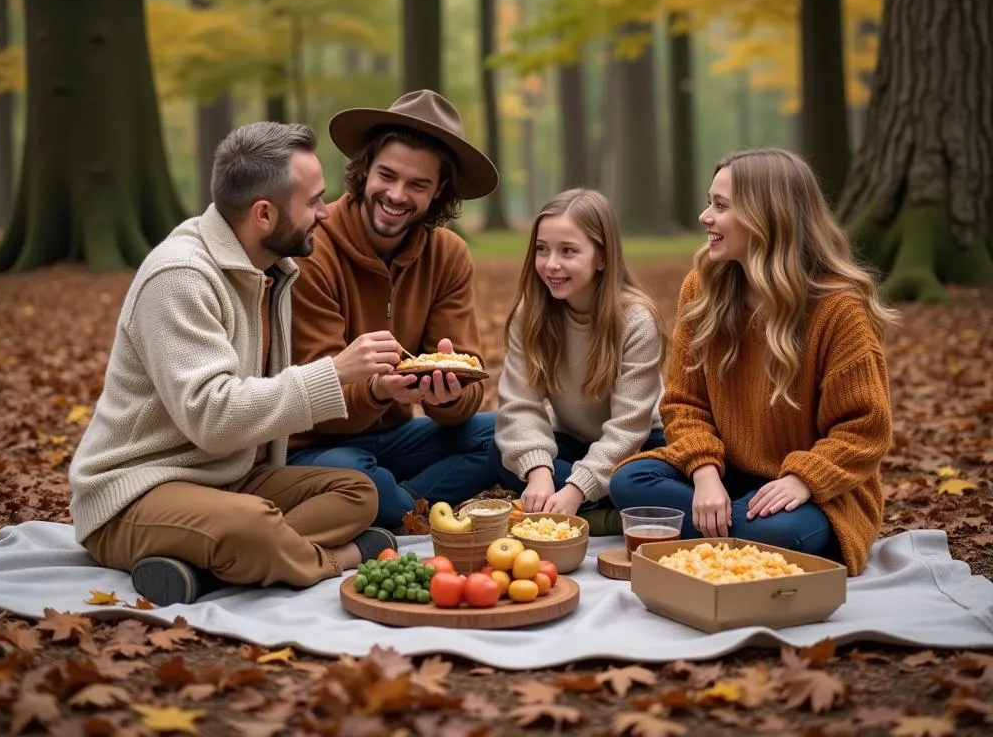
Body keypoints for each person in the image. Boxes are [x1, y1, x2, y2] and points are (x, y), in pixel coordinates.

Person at [69, 123, 405, 607]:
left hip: (227, 476)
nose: (325, 213)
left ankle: (208, 570)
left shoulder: (271, 270)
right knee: (250, 525)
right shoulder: (181, 276)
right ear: (264, 213)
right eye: (312, 202)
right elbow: (212, 418)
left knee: (358, 491)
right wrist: (333, 373)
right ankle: (337, 558)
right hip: (136, 491)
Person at [609, 148, 896, 575]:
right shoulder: (702, 288)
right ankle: (732, 532)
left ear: (768, 217)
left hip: (814, 492)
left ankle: (705, 532)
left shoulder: (839, 309)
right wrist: (705, 475)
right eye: (710, 202)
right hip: (727, 473)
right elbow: (683, 403)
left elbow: (864, 430)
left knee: (780, 532)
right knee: (629, 482)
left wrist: (803, 479)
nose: (706, 217)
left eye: (721, 206)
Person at [287, 90, 500, 530]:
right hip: (316, 446)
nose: (397, 195)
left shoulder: (448, 255)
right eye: (387, 175)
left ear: (439, 189)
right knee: (359, 476)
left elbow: (469, 375)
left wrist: (452, 396)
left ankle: (392, 508)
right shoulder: (313, 249)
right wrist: (378, 391)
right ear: (365, 168)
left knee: (505, 435)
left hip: (397, 438)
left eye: (418, 184)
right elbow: (314, 401)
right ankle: (404, 506)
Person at [487, 189, 667, 532]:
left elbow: (628, 430)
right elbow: (519, 405)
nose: (551, 264)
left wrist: (575, 488)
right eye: (542, 249)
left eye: (568, 251)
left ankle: (592, 509)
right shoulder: (532, 314)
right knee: (500, 454)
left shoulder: (636, 321)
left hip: (639, 444)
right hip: (571, 438)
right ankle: (603, 515)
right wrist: (540, 472)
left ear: (601, 257)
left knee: (632, 482)